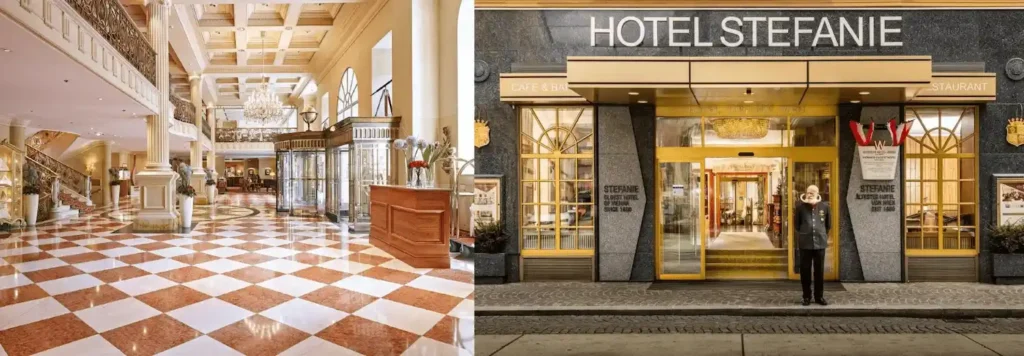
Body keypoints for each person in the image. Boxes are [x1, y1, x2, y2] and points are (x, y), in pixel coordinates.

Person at [795, 185, 830, 306]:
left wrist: (821, 234)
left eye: (812, 192)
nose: (810, 194)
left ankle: (819, 297)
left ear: (817, 193)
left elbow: (828, 225)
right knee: (805, 271)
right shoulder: (800, 207)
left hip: (820, 244)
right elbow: (797, 226)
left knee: (819, 271)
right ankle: (806, 296)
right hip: (805, 244)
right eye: (808, 192)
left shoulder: (824, 207)